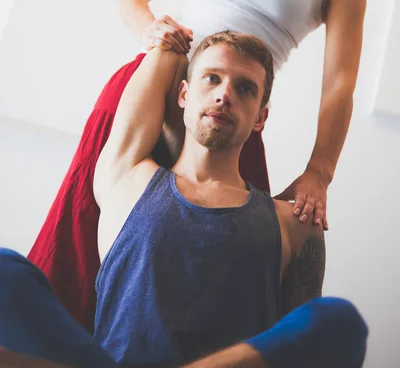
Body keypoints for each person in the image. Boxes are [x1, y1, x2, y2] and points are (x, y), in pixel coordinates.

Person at [28, 0, 383, 331]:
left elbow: (339, 86)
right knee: (82, 232)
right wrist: (151, 28)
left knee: (225, 266)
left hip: (229, 116)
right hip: (151, 88)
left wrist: (319, 173)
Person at [0, 32, 368, 367]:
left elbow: (304, 350)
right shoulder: (127, 177)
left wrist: (319, 174)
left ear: (260, 118)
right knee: (5, 270)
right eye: (212, 78)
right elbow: (154, 69)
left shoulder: (293, 224)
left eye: (245, 89)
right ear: (183, 95)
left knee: (339, 320)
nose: (224, 95)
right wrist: (167, 41)